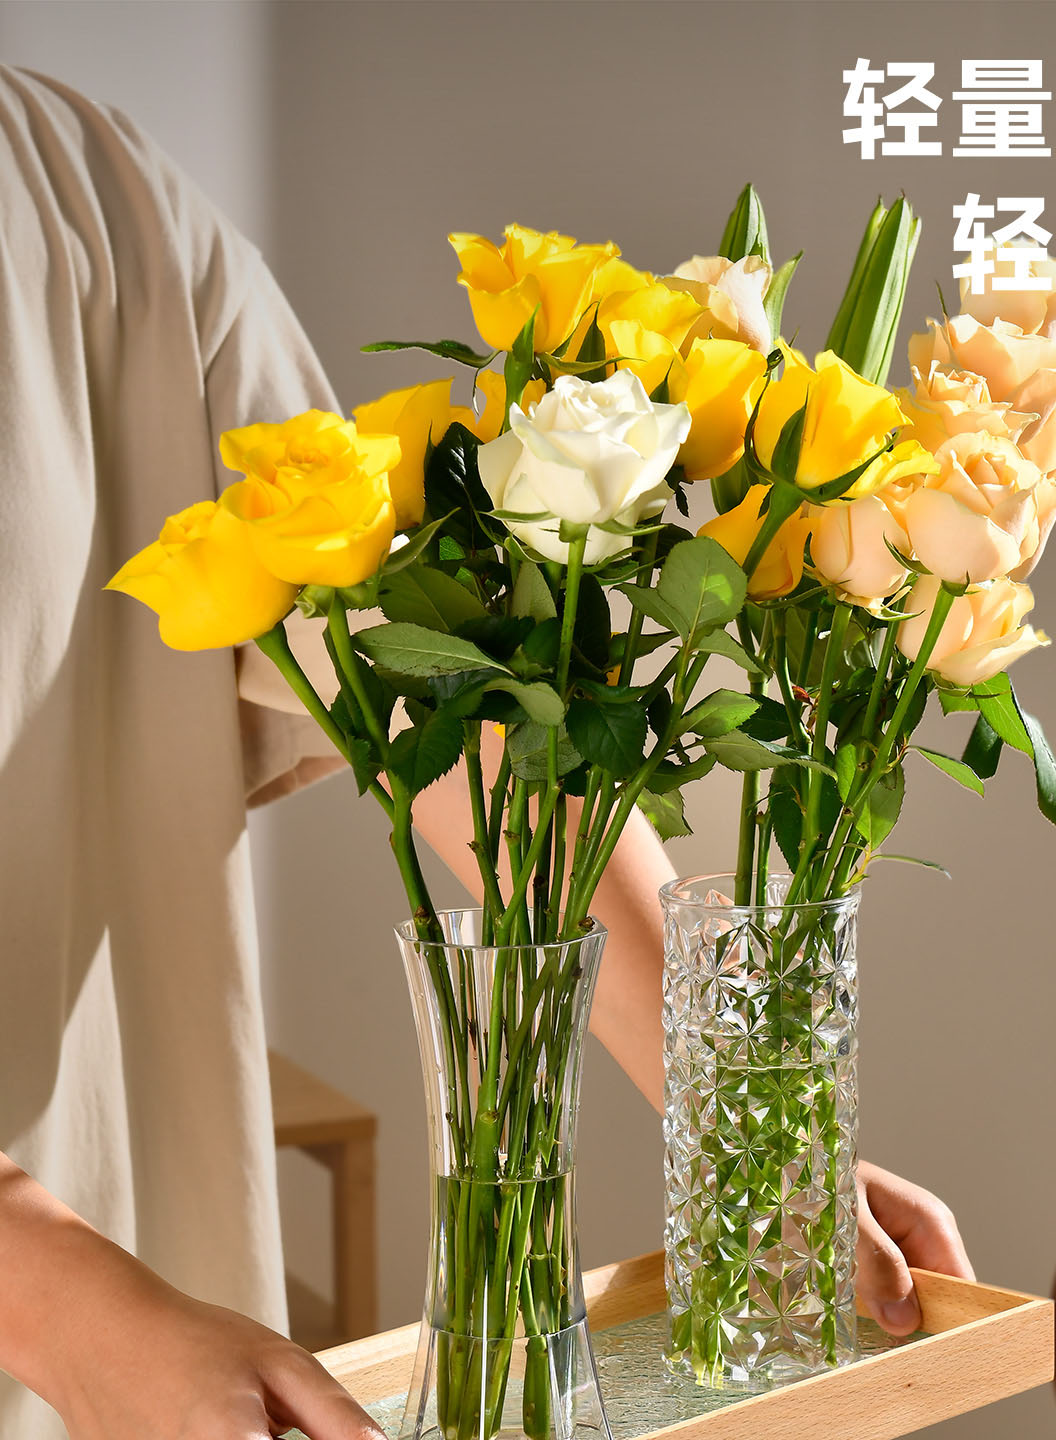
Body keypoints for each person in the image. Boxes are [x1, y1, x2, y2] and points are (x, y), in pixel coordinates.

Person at [0, 64, 971, 1440]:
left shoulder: (89, 189)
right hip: (101, 1322)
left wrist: (746, 1131)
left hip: (141, 1298)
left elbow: (433, 685)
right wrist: (55, 1300)